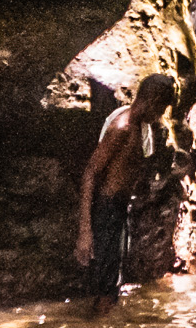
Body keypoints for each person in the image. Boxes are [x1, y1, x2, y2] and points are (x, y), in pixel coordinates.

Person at [75, 72, 184, 312]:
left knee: (113, 284)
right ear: (152, 100)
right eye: (162, 107)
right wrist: (85, 231)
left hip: (119, 209)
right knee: (106, 287)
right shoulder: (121, 128)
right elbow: (90, 173)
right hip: (106, 209)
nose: (162, 114)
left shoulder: (140, 128)